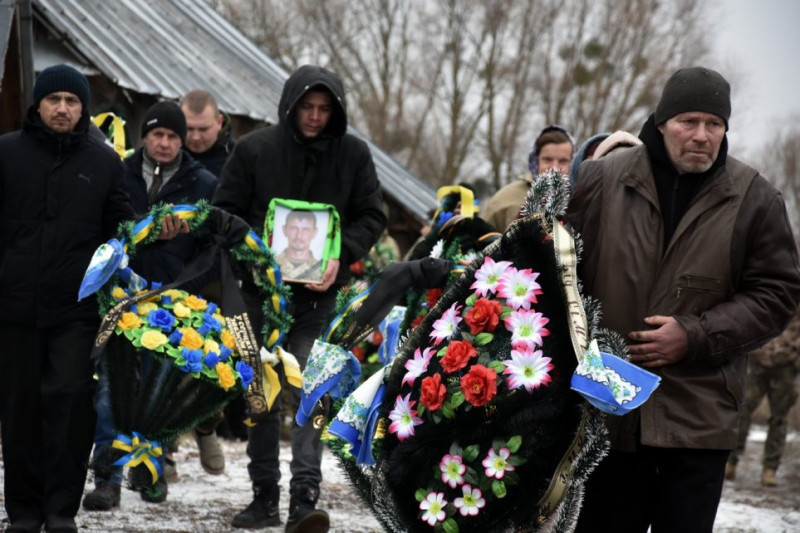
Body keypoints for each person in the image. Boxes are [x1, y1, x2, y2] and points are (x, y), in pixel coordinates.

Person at [567, 66, 800, 533]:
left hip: (699, 417)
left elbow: (778, 293)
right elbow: (557, 272)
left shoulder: (755, 199)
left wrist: (694, 335)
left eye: (714, 124)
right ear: (660, 123)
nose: (701, 136)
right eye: (687, 121)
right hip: (609, 413)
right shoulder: (600, 182)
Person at [212, 65, 386, 533]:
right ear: (290, 105)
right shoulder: (254, 150)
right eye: (307, 107)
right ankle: (263, 496)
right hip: (257, 297)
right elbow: (223, 213)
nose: (314, 117)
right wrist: (255, 254)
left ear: (337, 111)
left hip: (317, 301)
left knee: (313, 390)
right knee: (260, 394)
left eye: (325, 109)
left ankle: (304, 501)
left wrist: (341, 256)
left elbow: (372, 215)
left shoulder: (353, 155)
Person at [0, 64, 135, 533]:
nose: (62, 108)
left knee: (69, 403)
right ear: (37, 104)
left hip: (75, 311)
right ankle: (23, 511)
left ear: (84, 110)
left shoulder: (104, 164)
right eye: (54, 99)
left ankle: (60, 511)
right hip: (13, 307)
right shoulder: (7, 154)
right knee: (19, 409)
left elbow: (122, 231)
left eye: (72, 101)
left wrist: (156, 233)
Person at [81, 101, 219, 512]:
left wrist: (188, 290)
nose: (164, 143)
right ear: (145, 137)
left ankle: (151, 470)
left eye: (173, 136)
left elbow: (210, 246)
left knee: (158, 391)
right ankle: (109, 478)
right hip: (121, 299)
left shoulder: (202, 183)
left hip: (171, 303)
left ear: (183, 142)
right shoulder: (117, 172)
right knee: (110, 390)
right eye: (157, 134)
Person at [726, 311, 800, 486]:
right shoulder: (769, 288)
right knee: (742, 410)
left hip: (786, 366)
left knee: (779, 419)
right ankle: (730, 461)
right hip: (757, 360)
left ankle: (770, 469)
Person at [482, 125, 574, 231]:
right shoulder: (504, 199)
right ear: (535, 160)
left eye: (563, 161)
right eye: (547, 160)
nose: (554, 168)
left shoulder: (579, 199)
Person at [180, 89, 235, 178]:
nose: (195, 137)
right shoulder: (164, 153)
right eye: (189, 129)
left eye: (203, 129)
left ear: (219, 122)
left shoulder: (238, 161)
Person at [276, 210, 324, 282]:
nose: (299, 235)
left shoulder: (322, 269)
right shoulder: (271, 264)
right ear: (284, 230)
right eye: (294, 228)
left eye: (306, 229)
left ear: (314, 232)